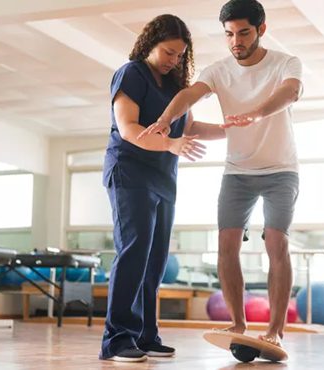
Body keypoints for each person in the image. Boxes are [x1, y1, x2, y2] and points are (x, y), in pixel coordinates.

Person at [139, 0, 303, 347]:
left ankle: (274, 330)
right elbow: (189, 94)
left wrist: (258, 113)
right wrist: (166, 119)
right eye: (229, 34)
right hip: (238, 171)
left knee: (276, 242)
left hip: (280, 170)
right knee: (226, 244)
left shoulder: (285, 62)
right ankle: (237, 324)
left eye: (243, 33)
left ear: (261, 29)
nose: (235, 41)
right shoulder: (218, 70)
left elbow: (291, 92)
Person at [99, 14, 224, 362]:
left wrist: (231, 129)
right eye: (169, 52)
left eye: (180, 55)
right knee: (134, 252)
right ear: (150, 44)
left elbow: (191, 125)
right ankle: (118, 338)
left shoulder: (173, 85)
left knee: (155, 261)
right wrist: (170, 145)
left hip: (163, 179)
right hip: (130, 171)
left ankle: (145, 334)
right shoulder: (131, 73)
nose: (174, 60)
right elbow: (128, 128)